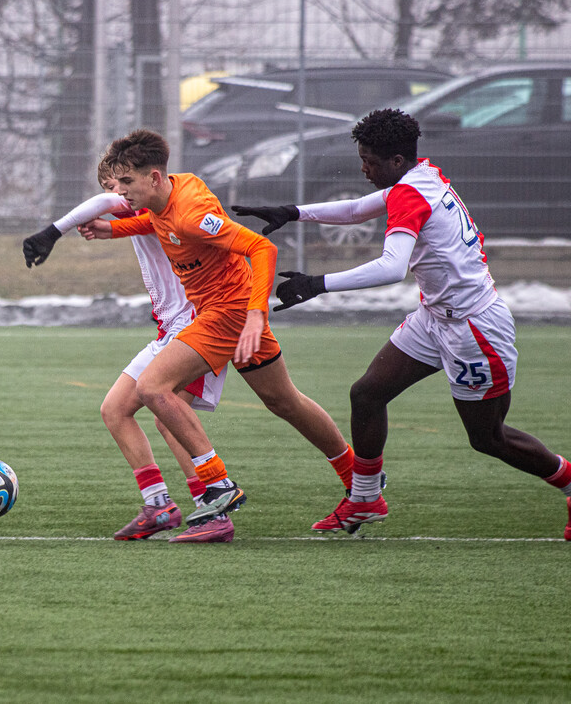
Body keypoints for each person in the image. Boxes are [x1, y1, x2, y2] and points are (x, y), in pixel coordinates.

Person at [232, 108, 571, 539]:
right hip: (435, 318)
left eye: (369, 160)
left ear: (395, 161)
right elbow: (357, 208)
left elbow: (393, 268)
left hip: (475, 330)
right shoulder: (420, 176)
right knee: (368, 394)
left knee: (489, 438)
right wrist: (291, 211)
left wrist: (318, 283)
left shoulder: (411, 193)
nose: (362, 167)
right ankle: (365, 496)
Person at [66, 129, 357, 534]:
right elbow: (158, 224)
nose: (121, 194)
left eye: (127, 183)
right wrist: (112, 230)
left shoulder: (188, 211)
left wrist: (257, 313)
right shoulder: (170, 195)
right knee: (284, 401)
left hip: (229, 315)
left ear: (153, 177)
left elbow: (262, 249)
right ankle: (360, 486)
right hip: (222, 314)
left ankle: (217, 487)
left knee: (154, 390)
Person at [24, 163, 236, 543]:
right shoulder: (142, 212)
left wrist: (53, 231)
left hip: (198, 326)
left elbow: (107, 202)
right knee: (114, 410)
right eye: (112, 184)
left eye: (124, 183)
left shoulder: (155, 205)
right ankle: (159, 506)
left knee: (168, 418)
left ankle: (213, 509)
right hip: (170, 329)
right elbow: (111, 209)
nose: (118, 193)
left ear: (144, 181)